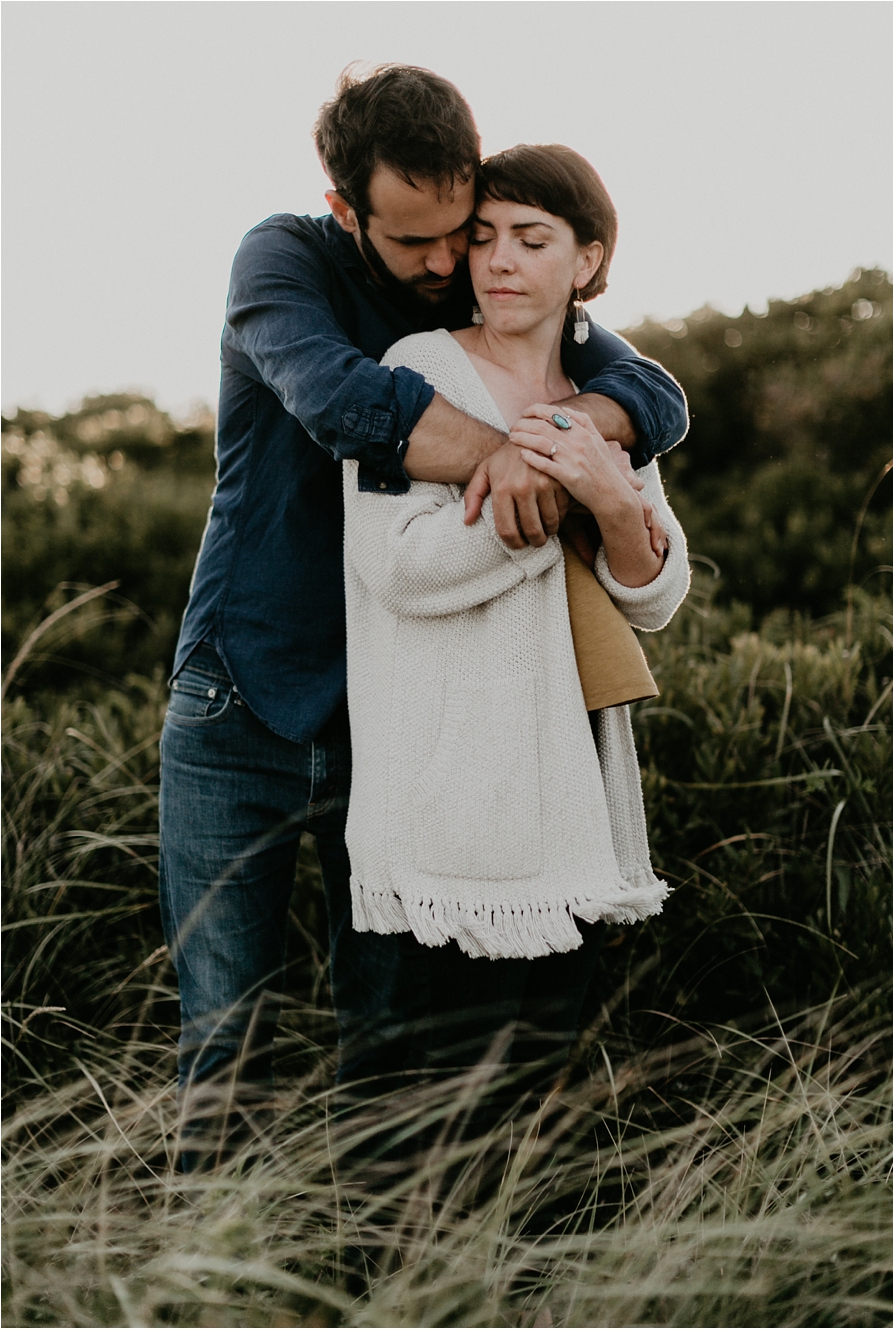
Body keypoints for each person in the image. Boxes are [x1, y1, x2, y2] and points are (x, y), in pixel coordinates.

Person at [158, 65, 688, 1164]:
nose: (450, 264)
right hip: (245, 694)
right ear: (347, 208)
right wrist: (535, 466)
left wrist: (584, 433)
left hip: (386, 713)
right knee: (228, 1033)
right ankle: (203, 1275)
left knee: (388, 1030)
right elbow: (341, 402)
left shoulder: (468, 286)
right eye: (417, 244)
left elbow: (653, 394)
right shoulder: (284, 262)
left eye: (467, 232)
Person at [341, 143, 690, 1095]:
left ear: (586, 261)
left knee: (531, 1127)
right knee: (411, 1129)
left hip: (569, 805)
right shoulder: (419, 371)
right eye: (484, 237)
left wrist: (610, 503)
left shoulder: (604, 410)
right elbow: (397, 566)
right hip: (444, 810)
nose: (496, 260)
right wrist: (543, 502)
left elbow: (656, 594)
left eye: (531, 239)